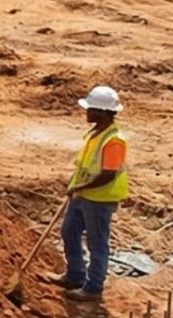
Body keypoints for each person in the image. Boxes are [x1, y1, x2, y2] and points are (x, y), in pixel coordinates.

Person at [50, 85, 130, 304]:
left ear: (102, 112)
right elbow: (86, 164)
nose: (86, 113)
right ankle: (75, 275)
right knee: (68, 231)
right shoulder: (96, 132)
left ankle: (93, 288)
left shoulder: (114, 140)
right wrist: (76, 185)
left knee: (97, 244)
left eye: (90, 109)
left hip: (99, 199)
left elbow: (108, 174)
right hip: (83, 194)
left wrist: (81, 186)